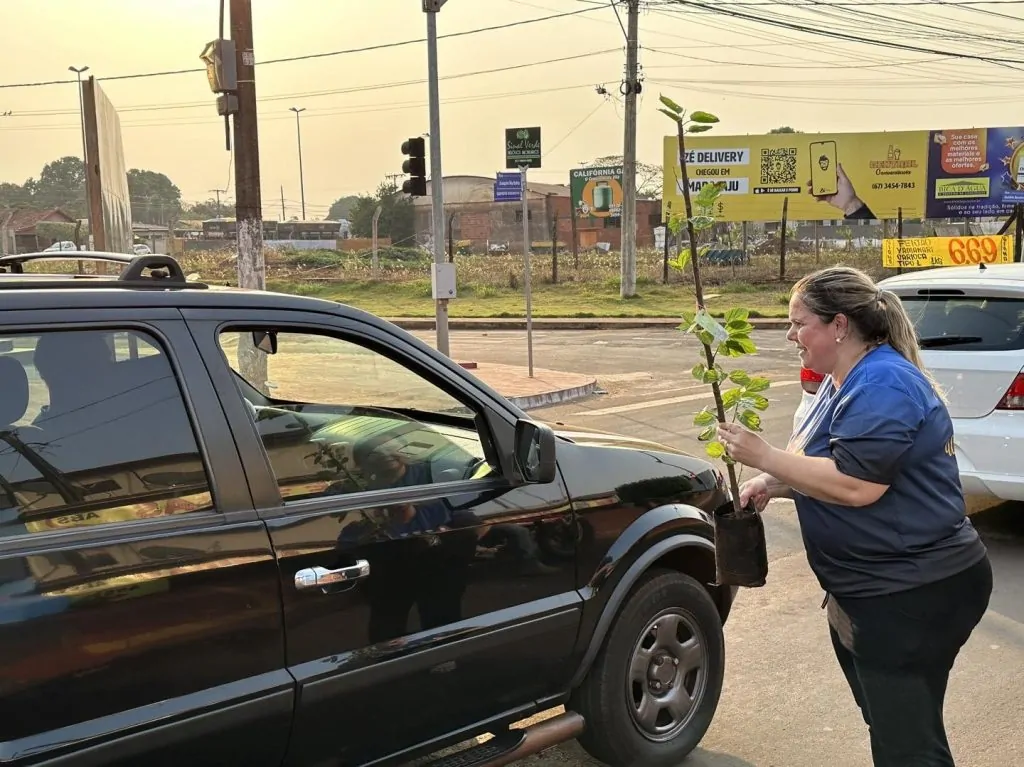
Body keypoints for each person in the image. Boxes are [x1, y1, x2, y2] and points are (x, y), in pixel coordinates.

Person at [717, 265, 992, 767]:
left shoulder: (882, 383)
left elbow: (859, 486)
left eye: (799, 322)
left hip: (911, 592)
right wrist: (771, 484)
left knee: (907, 746)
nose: (790, 334)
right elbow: (834, 464)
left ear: (839, 325)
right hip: (868, 590)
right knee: (896, 728)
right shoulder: (842, 378)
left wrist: (763, 456)